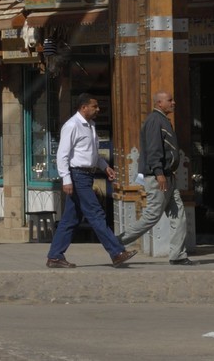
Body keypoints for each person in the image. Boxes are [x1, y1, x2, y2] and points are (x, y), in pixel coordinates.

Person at [46, 93, 135, 269]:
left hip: (87, 174)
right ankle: (116, 252)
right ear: (84, 107)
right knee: (96, 213)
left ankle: (55, 256)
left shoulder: (91, 126)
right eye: (94, 106)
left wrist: (104, 166)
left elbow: (91, 153)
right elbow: (62, 154)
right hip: (77, 175)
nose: (98, 110)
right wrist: (66, 179)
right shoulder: (72, 125)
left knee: (70, 219)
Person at [116, 91, 192, 265]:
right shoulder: (154, 121)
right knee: (152, 215)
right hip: (158, 177)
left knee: (178, 215)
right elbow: (153, 149)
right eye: (170, 100)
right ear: (159, 103)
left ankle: (178, 255)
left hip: (168, 176)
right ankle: (115, 243)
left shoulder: (163, 120)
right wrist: (158, 173)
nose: (174, 103)